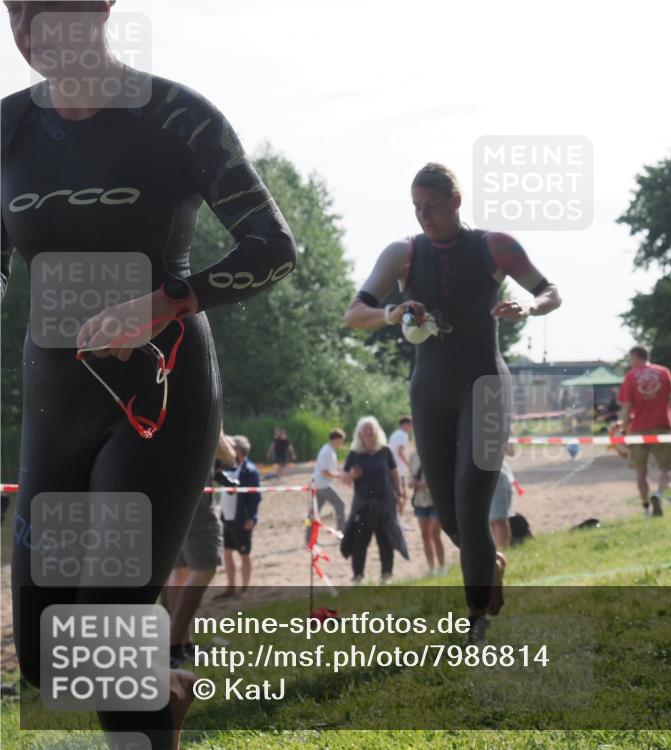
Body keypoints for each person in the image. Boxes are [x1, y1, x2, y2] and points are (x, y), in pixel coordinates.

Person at [2, 4, 297, 748]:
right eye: (13, 14)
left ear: (100, 11)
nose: (27, 30)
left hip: (161, 397)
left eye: (44, 10)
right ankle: (165, 687)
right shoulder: (6, 128)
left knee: (108, 627)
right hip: (53, 402)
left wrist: (170, 301)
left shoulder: (177, 117)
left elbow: (274, 246)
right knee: (44, 653)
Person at [343, 163, 560, 643]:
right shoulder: (403, 252)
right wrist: (391, 312)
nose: (423, 216)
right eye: (416, 208)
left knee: (471, 501)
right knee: (447, 516)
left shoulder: (493, 245)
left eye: (432, 207)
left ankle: (477, 618)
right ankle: (490, 565)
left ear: (456, 202)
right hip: (430, 392)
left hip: (485, 390)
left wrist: (530, 306)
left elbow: (550, 291)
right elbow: (354, 312)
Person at [163, 429, 235, 668]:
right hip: (194, 498)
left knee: (180, 570)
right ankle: (174, 646)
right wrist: (229, 452)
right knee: (204, 568)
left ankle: (182, 645)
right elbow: (225, 452)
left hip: (167, 496)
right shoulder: (202, 393)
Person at [618, 345, 671, 517]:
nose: (629, 362)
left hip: (639, 430)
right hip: (662, 427)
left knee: (640, 472)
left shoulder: (630, 377)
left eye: (630, 359)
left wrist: (623, 429)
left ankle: (646, 509)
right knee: (666, 468)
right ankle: (658, 494)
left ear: (636, 358)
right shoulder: (664, 372)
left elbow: (627, 406)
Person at [339, 416, 408, 584]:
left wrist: (400, 493)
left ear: (377, 431)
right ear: (360, 434)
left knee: (385, 540)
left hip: (385, 502)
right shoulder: (355, 454)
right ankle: (358, 576)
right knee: (360, 542)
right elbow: (344, 478)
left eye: (372, 428)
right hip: (363, 504)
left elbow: (394, 472)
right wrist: (352, 476)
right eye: (366, 429)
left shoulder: (385, 451)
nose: (369, 432)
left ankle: (386, 575)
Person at [216, 436, 261, 599]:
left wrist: (252, 517)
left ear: (239, 450)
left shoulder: (250, 470)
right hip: (226, 517)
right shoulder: (227, 466)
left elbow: (255, 496)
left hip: (242, 518)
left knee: (244, 554)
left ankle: (245, 589)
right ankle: (231, 587)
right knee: (227, 554)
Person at [410, 446, 446, 576]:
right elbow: (411, 476)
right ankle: (431, 567)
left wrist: (425, 484)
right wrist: (412, 483)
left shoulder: (437, 454)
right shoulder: (413, 456)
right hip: (420, 500)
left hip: (436, 500)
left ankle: (442, 566)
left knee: (434, 532)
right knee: (425, 534)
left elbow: (443, 476)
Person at [308, 429, 347, 543]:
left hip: (318, 483)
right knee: (340, 505)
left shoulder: (328, 450)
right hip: (322, 484)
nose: (341, 444)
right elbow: (325, 472)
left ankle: (309, 539)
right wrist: (340, 476)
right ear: (336, 439)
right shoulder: (328, 451)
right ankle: (341, 533)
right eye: (341, 441)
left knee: (315, 512)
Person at [489, 449, 517, 550]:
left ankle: (504, 552)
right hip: (475, 475)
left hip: (496, 474)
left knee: (498, 519)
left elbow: (511, 451)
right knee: (489, 521)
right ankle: (494, 554)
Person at [388, 416, 413, 491]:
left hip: (393, 465)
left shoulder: (395, 434)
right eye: (410, 424)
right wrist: (408, 464)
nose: (411, 427)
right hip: (399, 466)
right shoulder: (403, 435)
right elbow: (400, 452)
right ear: (405, 424)